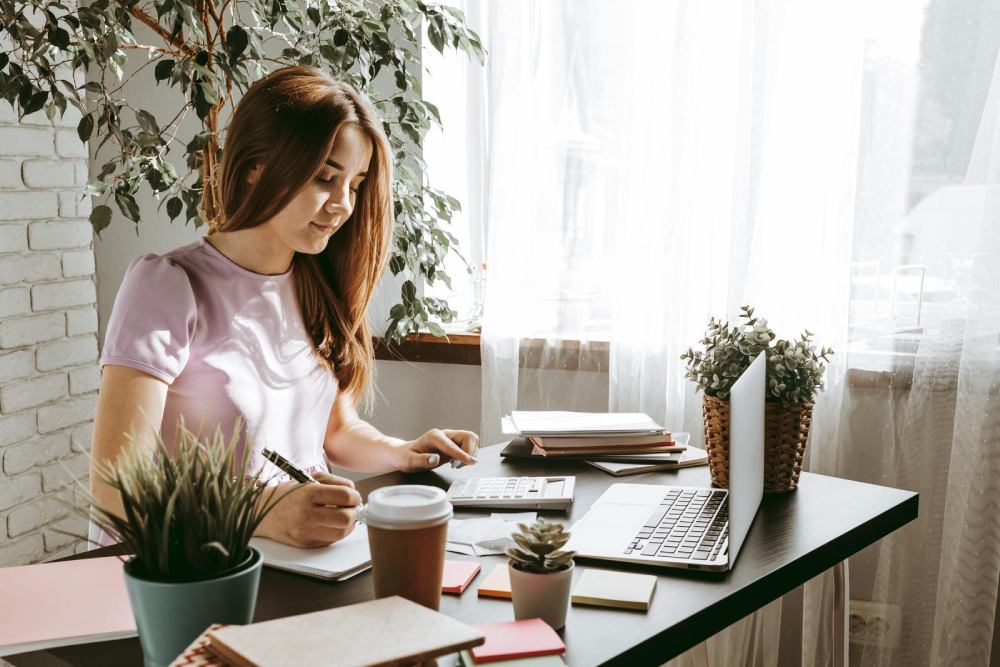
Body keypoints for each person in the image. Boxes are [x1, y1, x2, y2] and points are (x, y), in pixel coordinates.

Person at [90, 66, 479, 549]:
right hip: (195, 572)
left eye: (355, 185)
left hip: (305, 561)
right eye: (324, 177)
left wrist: (403, 453)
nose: (343, 204)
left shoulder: (313, 285)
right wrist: (264, 510)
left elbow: (335, 430)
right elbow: (115, 493)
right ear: (256, 167)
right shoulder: (167, 285)